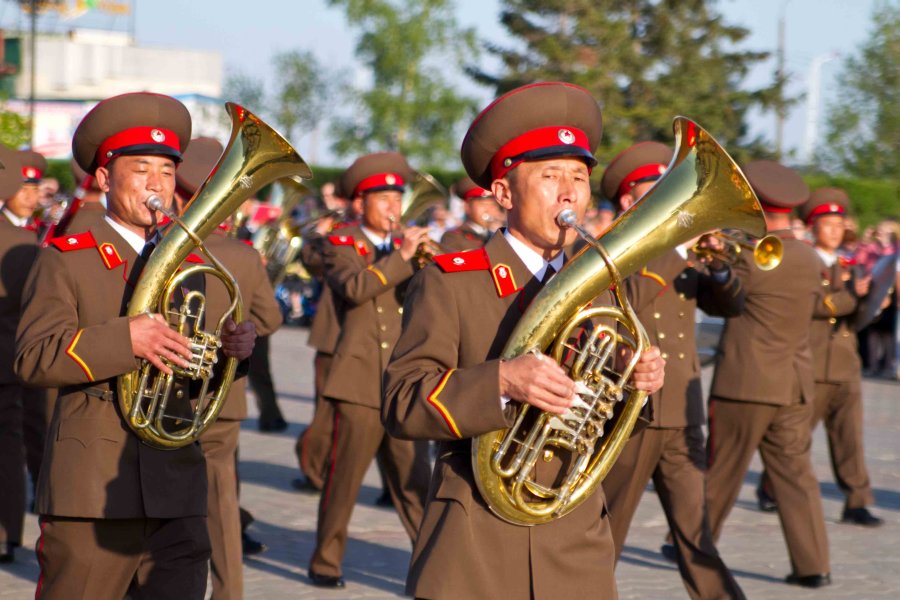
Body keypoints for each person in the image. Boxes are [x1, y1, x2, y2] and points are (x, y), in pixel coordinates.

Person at [382, 82, 665, 599]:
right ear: (505, 193)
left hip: (574, 537)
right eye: (550, 175)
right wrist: (502, 381)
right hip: (474, 537)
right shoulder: (452, 279)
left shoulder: (602, 283)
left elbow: (613, 419)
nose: (570, 193)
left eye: (579, 176)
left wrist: (635, 380)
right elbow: (402, 402)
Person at [14, 92, 257, 600]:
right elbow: (34, 358)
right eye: (140, 169)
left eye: (167, 172)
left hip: (177, 484)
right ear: (104, 178)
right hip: (92, 487)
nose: (156, 185)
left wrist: (231, 354)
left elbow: (189, 367)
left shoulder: (188, 262)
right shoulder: (67, 258)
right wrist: (125, 339)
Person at [599, 142, 745, 599]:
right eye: (658, 189)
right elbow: (629, 304)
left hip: (683, 412)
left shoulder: (683, 253)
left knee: (695, 532)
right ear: (629, 200)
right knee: (606, 532)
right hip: (630, 413)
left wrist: (719, 271)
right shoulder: (610, 250)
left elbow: (729, 305)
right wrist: (677, 251)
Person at [307, 152, 433, 588]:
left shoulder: (412, 250)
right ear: (360, 204)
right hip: (358, 381)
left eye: (397, 198)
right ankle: (326, 562)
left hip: (401, 383)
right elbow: (356, 288)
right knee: (343, 483)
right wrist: (402, 257)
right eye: (382, 199)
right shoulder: (341, 245)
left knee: (415, 484)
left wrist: (426, 263)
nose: (393, 208)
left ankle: (433, 569)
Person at [704, 160, 831, 589]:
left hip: (745, 381)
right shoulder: (810, 257)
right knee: (796, 478)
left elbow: (722, 301)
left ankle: (691, 544)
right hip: (793, 383)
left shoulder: (751, 254)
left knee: (722, 470)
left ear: (755, 204)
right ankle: (814, 565)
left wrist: (715, 261)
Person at [174, 136, 285, 599]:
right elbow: (273, 319)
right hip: (223, 398)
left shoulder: (162, 248)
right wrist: (241, 332)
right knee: (221, 504)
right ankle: (228, 592)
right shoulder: (243, 255)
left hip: (166, 396)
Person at [756, 188, 882, 526]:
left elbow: (855, 319)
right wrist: (852, 299)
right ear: (813, 227)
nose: (836, 230)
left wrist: (873, 306)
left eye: (840, 223)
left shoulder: (850, 265)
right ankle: (770, 488)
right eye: (828, 224)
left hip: (844, 364)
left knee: (849, 437)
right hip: (810, 362)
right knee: (793, 439)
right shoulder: (803, 262)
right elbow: (812, 306)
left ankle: (857, 500)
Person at [0, 148, 39, 564]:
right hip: (10, 354)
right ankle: (8, 530)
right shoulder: (27, 240)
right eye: (22, 186)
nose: (30, 195)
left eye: (34, 188)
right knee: (11, 444)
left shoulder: (32, 237)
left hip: (13, 354)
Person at [439, 176, 501, 252]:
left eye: (492, 204)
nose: (489, 210)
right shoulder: (453, 237)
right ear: (467, 207)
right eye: (483, 204)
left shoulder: (497, 237)